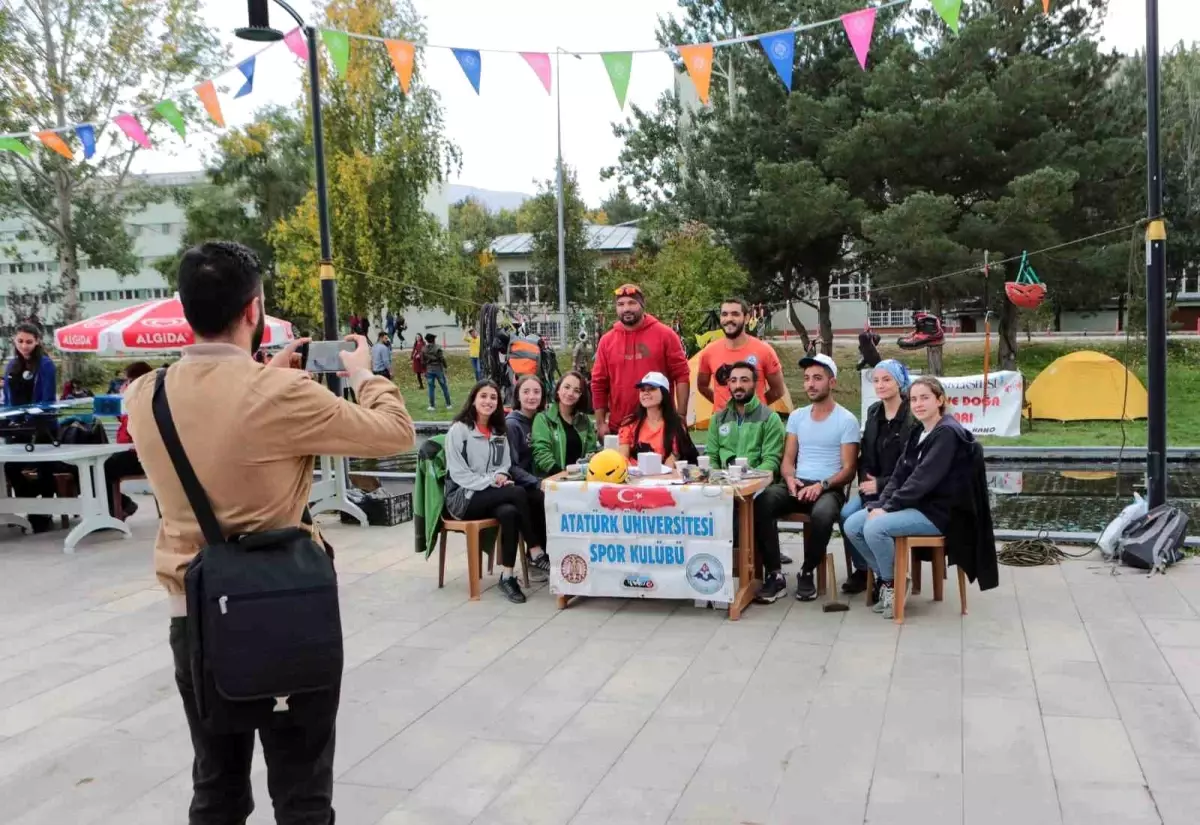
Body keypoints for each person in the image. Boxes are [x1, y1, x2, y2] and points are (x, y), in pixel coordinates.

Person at [122, 241, 415, 824]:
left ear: (185, 311)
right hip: (285, 611)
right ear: (254, 309)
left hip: (196, 617)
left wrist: (262, 376)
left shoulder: (143, 395)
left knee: (217, 788)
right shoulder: (284, 396)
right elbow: (396, 432)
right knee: (302, 791)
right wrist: (365, 374)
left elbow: (219, 418)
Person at [842, 377, 980, 619]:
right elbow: (898, 475)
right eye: (914, 399)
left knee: (875, 527)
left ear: (940, 400)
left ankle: (891, 583)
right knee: (852, 525)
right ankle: (892, 580)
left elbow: (921, 480)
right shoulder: (919, 431)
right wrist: (881, 503)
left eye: (925, 398)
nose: (918, 404)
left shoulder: (946, 433)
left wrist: (887, 509)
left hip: (938, 513)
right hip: (915, 506)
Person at [753, 353, 860, 603]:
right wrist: (789, 478)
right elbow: (788, 460)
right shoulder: (798, 416)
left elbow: (849, 469)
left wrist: (822, 486)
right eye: (807, 379)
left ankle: (807, 571)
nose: (811, 384)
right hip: (797, 482)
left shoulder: (846, 419)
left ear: (832, 382)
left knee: (822, 515)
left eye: (818, 378)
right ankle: (775, 574)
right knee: (762, 501)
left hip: (828, 486)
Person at [445, 380, 547, 604]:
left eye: (493, 397)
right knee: (519, 493)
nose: (488, 401)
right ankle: (535, 549)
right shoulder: (459, 430)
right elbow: (459, 474)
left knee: (510, 512)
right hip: (463, 497)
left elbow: (504, 464)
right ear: (473, 399)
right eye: (483, 396)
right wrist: (493, 480)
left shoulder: (498, 431)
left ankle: (508, 576)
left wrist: (501, 477)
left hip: (491, 492)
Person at [840, 360, 916, 597]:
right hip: (873, 487)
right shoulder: (873, 412)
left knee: (868, 521)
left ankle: (887, 578)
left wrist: (881, 485)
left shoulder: (912, 417)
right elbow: (866, 455)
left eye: (886, 380)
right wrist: (866, 484)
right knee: (845, 515)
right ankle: (866, 571)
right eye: (876, 380)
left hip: (900, 490)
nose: (880, 385)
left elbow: (911, 465)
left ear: (899, 382)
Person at [591, 284, 690, 441]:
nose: (626, 309)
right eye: (621, 304)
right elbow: (598, 383)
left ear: (642, 305)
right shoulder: (607, 341)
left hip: (660, 425)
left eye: (632, 303)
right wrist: (601, 422)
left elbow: (682, 376)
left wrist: (681, 415)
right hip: (620, 426)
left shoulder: (666, 335)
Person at [2, 322, 59, 532]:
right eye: (20, 341)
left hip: (42, 426)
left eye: (29, 342)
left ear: (37, 342)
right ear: (14, 341)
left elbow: (47, 398)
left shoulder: (45, 365)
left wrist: (35, 416)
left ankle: (42, 513)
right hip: (17, 427)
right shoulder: (11, 366)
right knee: (11, 467)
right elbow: (8, 399)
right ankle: (31, 504)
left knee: (45, 469)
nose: (24, 346)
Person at [696, 298, 786, 414]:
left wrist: (755, 406)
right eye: (724, 314)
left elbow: (778, 390)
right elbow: (702, 386)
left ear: (747, 318)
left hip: (755, 424)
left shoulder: (764, 351)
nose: (729, 319)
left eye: (735, 314)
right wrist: (723, 405)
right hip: (722, 425)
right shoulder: (709, 352)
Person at [504, 374, 552, 580]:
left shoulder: (544, 420)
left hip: (541, 478)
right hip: (521, 483)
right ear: (517, 395)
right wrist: (536, 482)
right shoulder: (512, 424)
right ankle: (535, 556)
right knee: (540, 499)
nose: (531, 396)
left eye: (536, 392)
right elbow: (511, 466)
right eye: (526, 391)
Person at [104, 361, 154, 519]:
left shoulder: (148, 398)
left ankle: (118, 508)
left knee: (103, 468)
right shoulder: (133, 398)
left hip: (141, 454)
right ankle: (119, 506)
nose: (126, 384)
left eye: (129, 380)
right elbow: (125, 422)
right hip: (128, 450)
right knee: (99, 466)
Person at [618, 371, 698, 469]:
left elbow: (672, 461)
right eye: (642, 390)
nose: (646, 393)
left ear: (664, 393)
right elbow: (622, 458)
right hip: (634, 478)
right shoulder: (630, 423)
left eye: (652, 389)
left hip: (664, 478)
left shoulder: (676, 425)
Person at [533, 370, 597, 477]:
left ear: (581, 395)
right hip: (552, 479)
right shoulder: (543, 418)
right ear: (558, 389)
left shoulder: (584, 421)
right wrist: (562, 475)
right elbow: (541, 453)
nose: (570, 393)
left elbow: (591, 451)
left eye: (576, 390)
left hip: (580, 478)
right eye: (566, 387)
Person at [422, 333, 451, 411]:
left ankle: (432, 406)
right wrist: (445, 367)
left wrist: (425, 369)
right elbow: (442, 358)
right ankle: (448, 404)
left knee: (431, 388)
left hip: (429, 370)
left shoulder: (423, 349)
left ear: (427, 340)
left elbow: (422, 361)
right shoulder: (438, 348)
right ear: (433, 340)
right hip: (438, 370)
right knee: (444, 387)